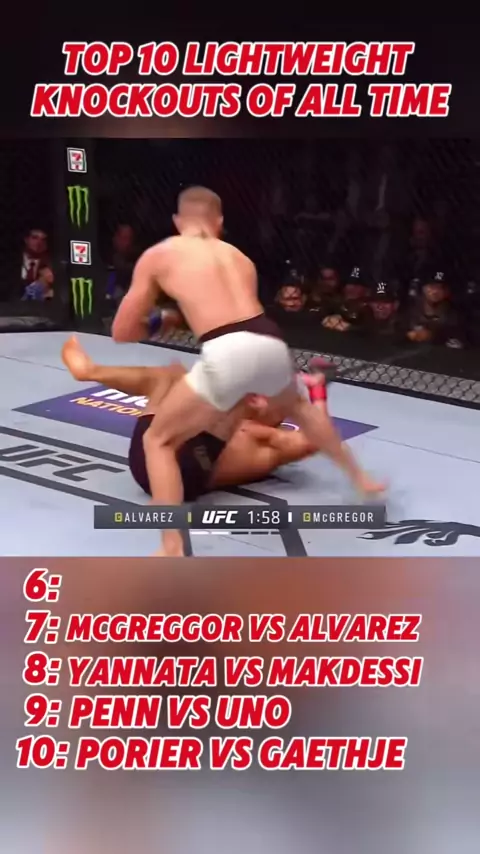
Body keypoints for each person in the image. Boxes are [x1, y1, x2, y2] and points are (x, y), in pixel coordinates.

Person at [111, 186, 375, 556]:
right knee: (300, 409)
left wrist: (159, 321)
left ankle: (172, 546)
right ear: (218, 222)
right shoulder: (241, 259)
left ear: (177, 221)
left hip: (226, 347)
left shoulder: (160, 254)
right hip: (270, 341)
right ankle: (361, 478)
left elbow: (122, 331)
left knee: (158, 441)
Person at [61, 337, 385, 504]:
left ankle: (91, 371)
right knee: (172, 376)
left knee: (175, 380)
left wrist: (317, 395)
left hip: (178, 472)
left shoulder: (265, 446)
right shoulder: (249, 422)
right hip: (153, 461)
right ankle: (90, 371)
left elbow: (312, 440)